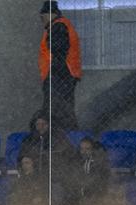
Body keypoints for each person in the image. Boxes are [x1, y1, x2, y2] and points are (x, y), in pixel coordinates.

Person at [38, 1, 81, 131]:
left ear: (49, 14)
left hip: (59, 76)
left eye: (42, 17)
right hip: (64, 76)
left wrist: (53, 78)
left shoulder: (57, 27)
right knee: (64, 111)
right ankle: (66, 136)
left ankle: (57, 138)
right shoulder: (61, 25)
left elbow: (58, 53)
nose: (42, 21)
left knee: (56, 112)